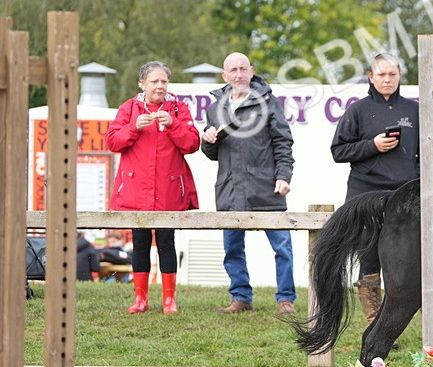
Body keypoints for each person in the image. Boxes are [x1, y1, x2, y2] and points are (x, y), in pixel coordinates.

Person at [201, 52, 297, 315]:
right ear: (225, 75)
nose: (239, 74)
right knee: (232, 248)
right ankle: (241, 297)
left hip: (266, 187)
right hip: (230, 188)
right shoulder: (214, 109)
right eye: (233, 70)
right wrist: (208, 140)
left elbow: (282, 141)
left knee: (282, 248)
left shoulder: (268, 103)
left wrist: (283, 176)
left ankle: (286, 299)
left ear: (252, 71)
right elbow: (211, 155)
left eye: (243, 69)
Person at [104, 60, 200, 314]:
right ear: (142, 83)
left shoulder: (179, 109)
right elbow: (112, 142)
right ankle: (141, 300)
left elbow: (192, 144)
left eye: (164, 81)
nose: (160, 86)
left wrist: (172, 124)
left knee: (167, 241)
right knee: (141, 242)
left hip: (168, 189)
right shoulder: (128, 108)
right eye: (154, 81)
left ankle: (169, 300)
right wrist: (134, 127)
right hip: (137, 189)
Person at [331, 53, 419, 323]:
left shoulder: (414, 109)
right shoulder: (357, 110)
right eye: (381, 75)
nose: (387, 80)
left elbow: (427, 152)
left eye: (392, 74)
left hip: (404, 194)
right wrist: (372, 145)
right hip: (365, 193)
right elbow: (338, 151)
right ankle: (374, 322)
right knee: (368, 256)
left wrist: (416, 178)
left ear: (400, 75)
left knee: (405, 258)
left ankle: (395, 319)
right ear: (371, 76)